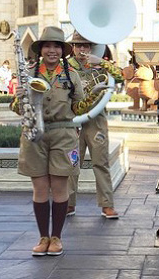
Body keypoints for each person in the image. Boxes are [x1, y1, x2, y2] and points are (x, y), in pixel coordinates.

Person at [10, 26, 86, 256]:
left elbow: (79, 107)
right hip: (34, 134)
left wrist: (93, 101)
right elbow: (16, 108)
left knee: (60, 187)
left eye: (56, 46)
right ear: (41, 49)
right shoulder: (30, 72)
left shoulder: (72, 75)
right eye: (47, 46)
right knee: (40, 188)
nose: (52, 50)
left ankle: (57, 238)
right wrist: (20, 98)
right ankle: (43, 237)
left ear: (62, 51)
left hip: (63, 133)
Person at [66, 31, 124, 219]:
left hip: (96, 121)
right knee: (72, 163)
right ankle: (68, 203)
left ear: (91, 47)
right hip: (73, 121)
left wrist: (103, 62)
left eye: (86, 45)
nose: (82, 49)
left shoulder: (98, 66)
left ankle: (107, 205)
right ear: (73, 48)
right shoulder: (65, 67)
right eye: (79, 45)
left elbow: (120, 77)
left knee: (101, 163)